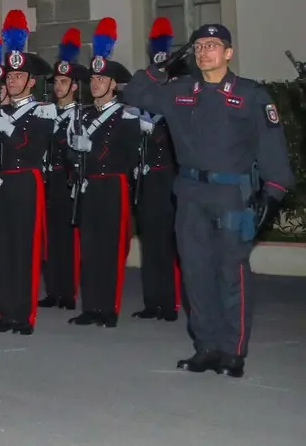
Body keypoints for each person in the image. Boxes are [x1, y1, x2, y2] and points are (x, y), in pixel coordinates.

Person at [122, 22, 296, 378]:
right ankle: (206, 346)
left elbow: (273, 152)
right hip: (189, 194)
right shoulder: (181, 91)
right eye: (199, 47)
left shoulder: (250, 95)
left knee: (231, 273)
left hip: (233, 196)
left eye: (212, 45)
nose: (204, 52)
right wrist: (161, 67)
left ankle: (233, 351)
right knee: (196, 275)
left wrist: (272, 194)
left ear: (228, 53)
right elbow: (135, 94)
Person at [0, 11, 56, 336]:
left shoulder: (42, 110)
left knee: (24, 248)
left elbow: (33, 145)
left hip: (25, 179)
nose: (11, 79)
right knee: (3, 247)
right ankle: (5, 311)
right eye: (9, 75)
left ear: (31, 81)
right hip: (1, 180)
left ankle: (24, 316)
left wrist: (7, 127)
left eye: (18, 75)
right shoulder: (2, 109)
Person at [67, 19, 141, 329]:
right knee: (90, 248)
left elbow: (127, 153)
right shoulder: (83, 113)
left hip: (112, 184)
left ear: (114, 85)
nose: (95, 83)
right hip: (88, 185)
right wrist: (74, 148)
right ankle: (91, 306)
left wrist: (91, 150)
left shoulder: (126, 115)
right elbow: (72, 150)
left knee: (110, 247)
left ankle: (108, 309)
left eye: (101, 79)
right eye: (93, 79)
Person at [132, 18, 181, 322]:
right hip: (147, 177)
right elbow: (133, 94)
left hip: (171, 177)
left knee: (170, 241)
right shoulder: (143, 81)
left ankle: (170, 303)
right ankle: (153, 301)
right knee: (150, 241)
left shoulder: (180, 87)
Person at [41, 28, 87, 311]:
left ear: (73, 86)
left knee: (68, 238)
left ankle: (68, 292)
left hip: (67, 178)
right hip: (47, 178)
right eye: (56, 81)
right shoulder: (46, 112)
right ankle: (53, 289)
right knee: (50, 237)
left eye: (63, 82)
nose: (58, 86)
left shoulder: (79, 114)